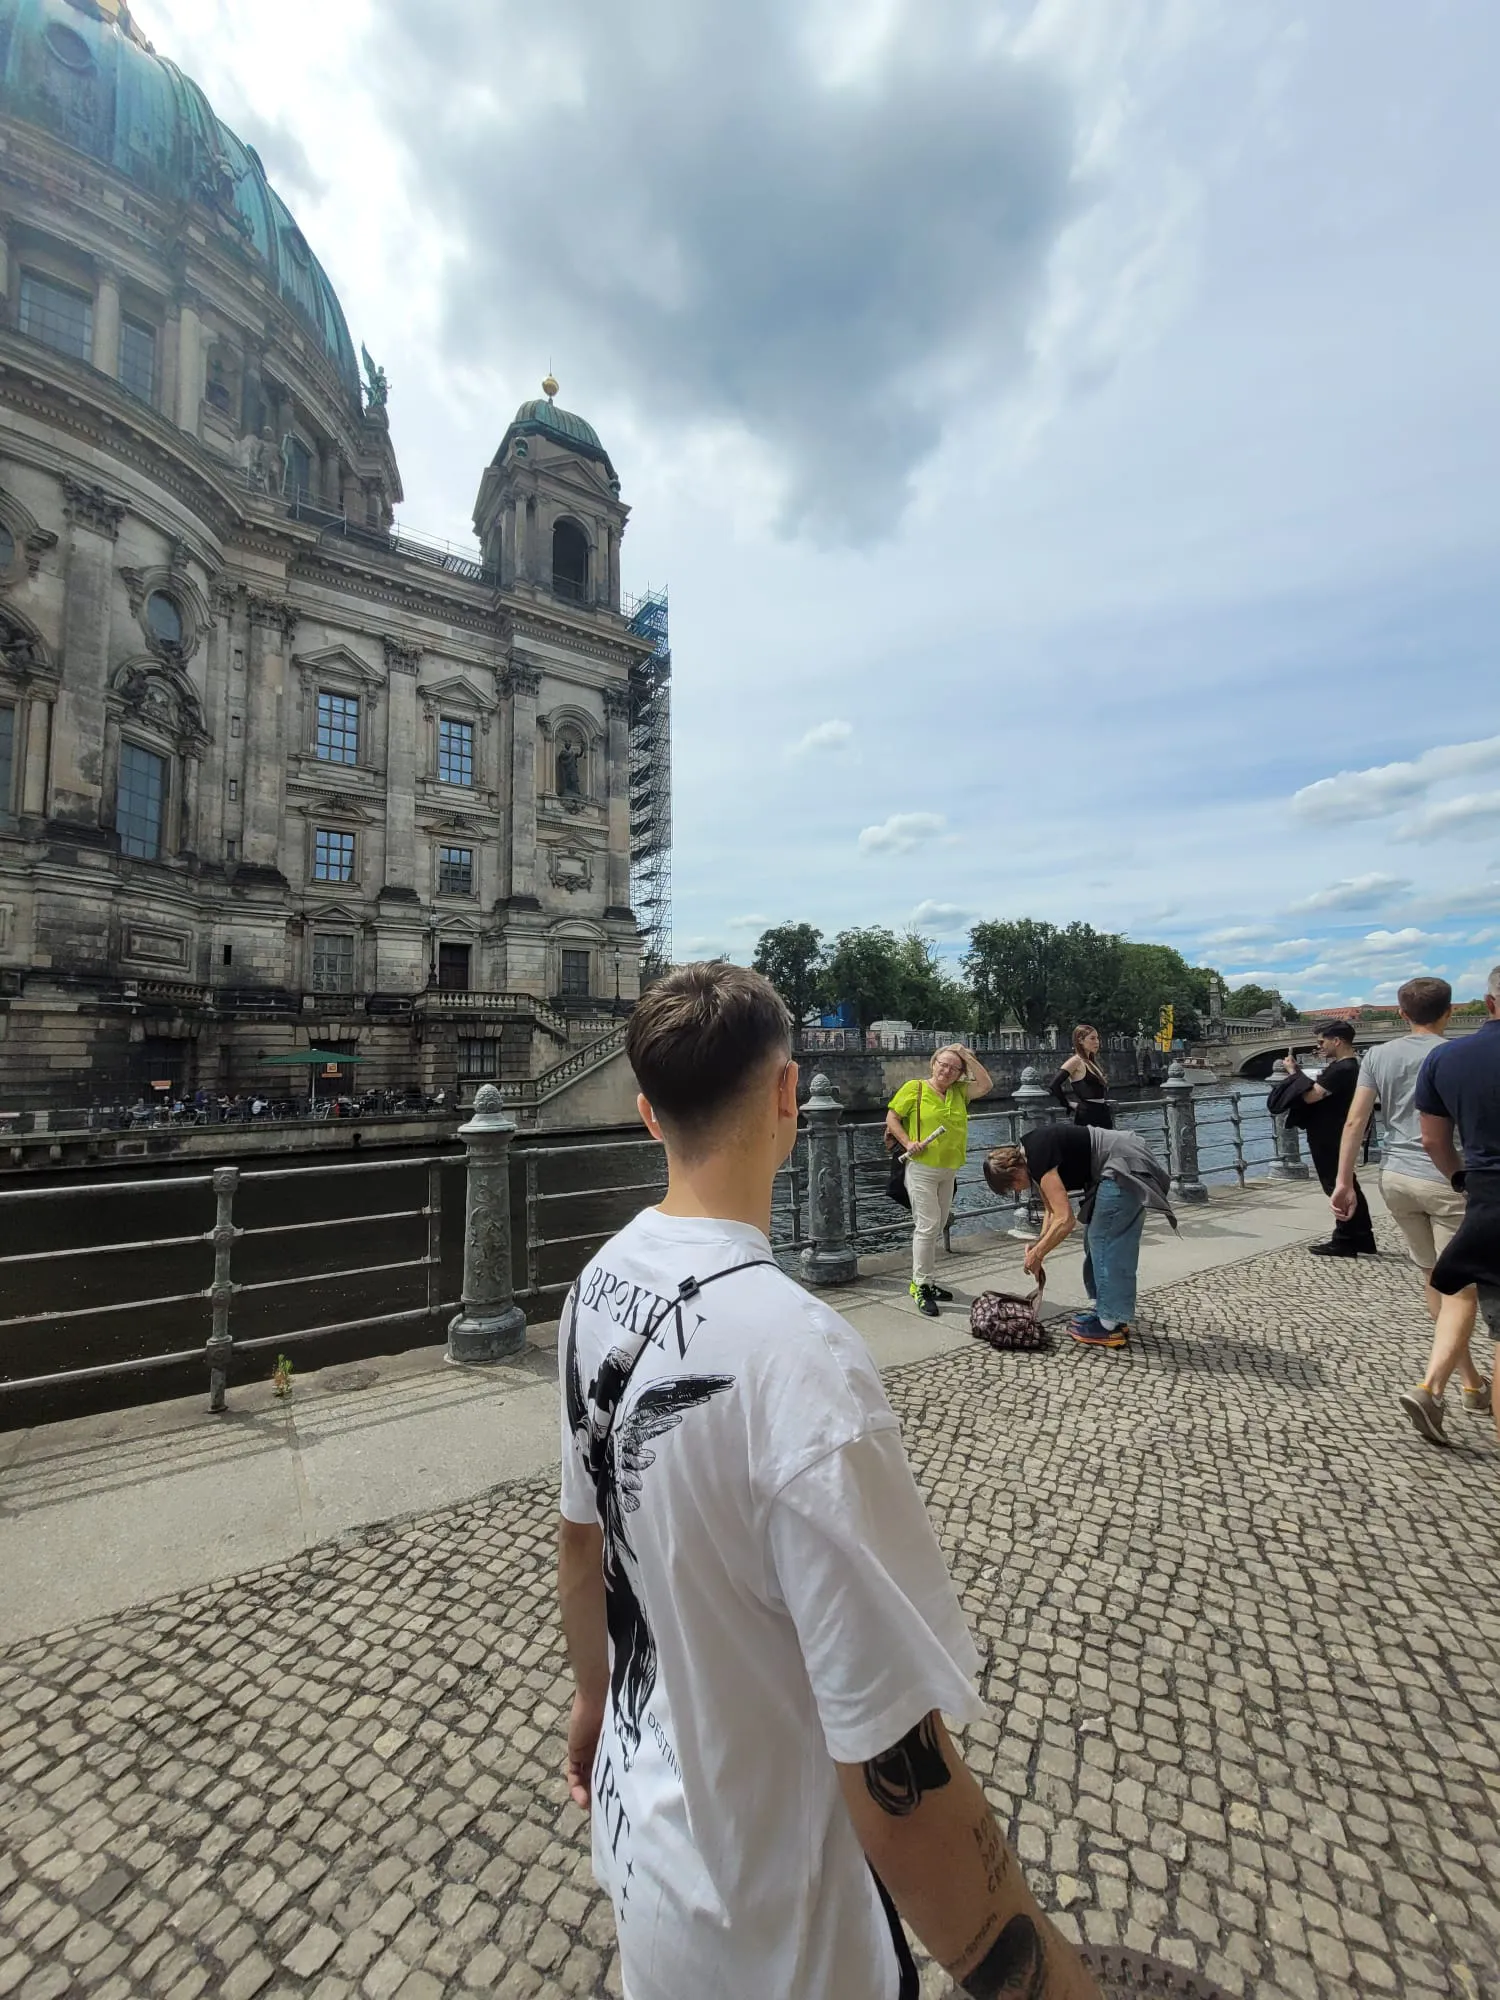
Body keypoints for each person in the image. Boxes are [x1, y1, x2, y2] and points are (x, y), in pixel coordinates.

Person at [557, 963, 1100, 2000]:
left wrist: (592, 1697)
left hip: (643, 1866)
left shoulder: (595, 1284)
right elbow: (895, 1766)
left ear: (646, 1112)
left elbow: (582, 1543)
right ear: (787, 1093)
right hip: (782, 1935)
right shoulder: (800, 1354)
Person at [1330, 977, 1488, 1445]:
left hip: (1395, 1177)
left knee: (1434, 1278)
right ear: (1451, 1012)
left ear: (1401, 1014)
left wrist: (1343, 1181)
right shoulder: (1457, 1054)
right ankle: (1435, 1388)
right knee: (1463, 1287)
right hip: (1446, 1176)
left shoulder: (1378, 1056)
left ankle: (1473, 1384)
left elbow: (1356, 1120)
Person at [982, 1122, 1176, 1348]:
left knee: (1105, 1240)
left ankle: (1109, 1325)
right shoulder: (1031, 1154)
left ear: (1014, 1173)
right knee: (1096, 1239)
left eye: (1012, 1187)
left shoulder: (1039, 1157)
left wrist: (1038, 1255)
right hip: (1120, 1160)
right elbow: (1051, 1211)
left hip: (1123, 1164)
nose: (1017, 1191)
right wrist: (1038, 1245)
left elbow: (1066, 1220)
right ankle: (1106, 1312)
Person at [1417, 964, 1500, 1452]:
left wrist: (1463, 1181)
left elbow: (1433, 1139)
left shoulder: (1447, 1058)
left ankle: (1435, 1386)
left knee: (1465, 1294)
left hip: (1489, 1195)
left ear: (1489, 1003)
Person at [885, 1043, 994, 1318]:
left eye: (954, 1068)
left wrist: (966, 1055)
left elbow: (986, 1085)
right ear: (933, 1064)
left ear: (960, 1073)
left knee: (939, 1223)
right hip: (922, 1167)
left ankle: (927, 1280)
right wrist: (908, 1142)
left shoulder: (959, 1092)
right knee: (928, 1225)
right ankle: (920, 1285)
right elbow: (892, 1118)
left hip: (949, 1169)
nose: (946, 1071)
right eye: (942, 1064)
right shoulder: (915, 1088)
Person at [1276, 1021, 1377, 1256]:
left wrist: (1293, 1073)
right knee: (1348, 1183)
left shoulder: (1341, 1069)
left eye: (1322, 1041)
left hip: (1328, 1133)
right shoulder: (1353, 1066)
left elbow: (1311, 1097)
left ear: (1337, 1041)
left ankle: (1345, 1239)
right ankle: (1363, 1237)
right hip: (1338, 1131)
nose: (1319, 1046)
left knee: (1335, 1185)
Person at [1049, 1024, 1114, 1129]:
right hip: (1088, 1114)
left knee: (1108, 1139)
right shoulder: (1076, 1061)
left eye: (1097, 1038)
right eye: (1092, 1038)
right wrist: (1066, 1103)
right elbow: (1054, 1084)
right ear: (1080, 1040)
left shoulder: (1091, 1062)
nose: (1097, 1042)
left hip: (1102, 1112)